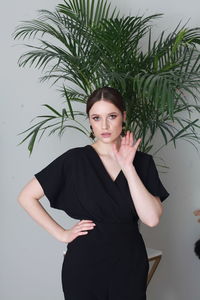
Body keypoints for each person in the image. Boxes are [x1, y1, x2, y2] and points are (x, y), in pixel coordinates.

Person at [18, 86, 170, 300]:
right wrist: (62, 234)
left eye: (112, 116)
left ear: (123, 117)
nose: (105, 125)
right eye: (97, 118)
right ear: (89, 121)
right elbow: (26, 197)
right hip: (84, 264)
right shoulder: (74, 160)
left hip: (129, 263)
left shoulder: (142, 162)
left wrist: (128, 168)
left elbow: (152, 219)